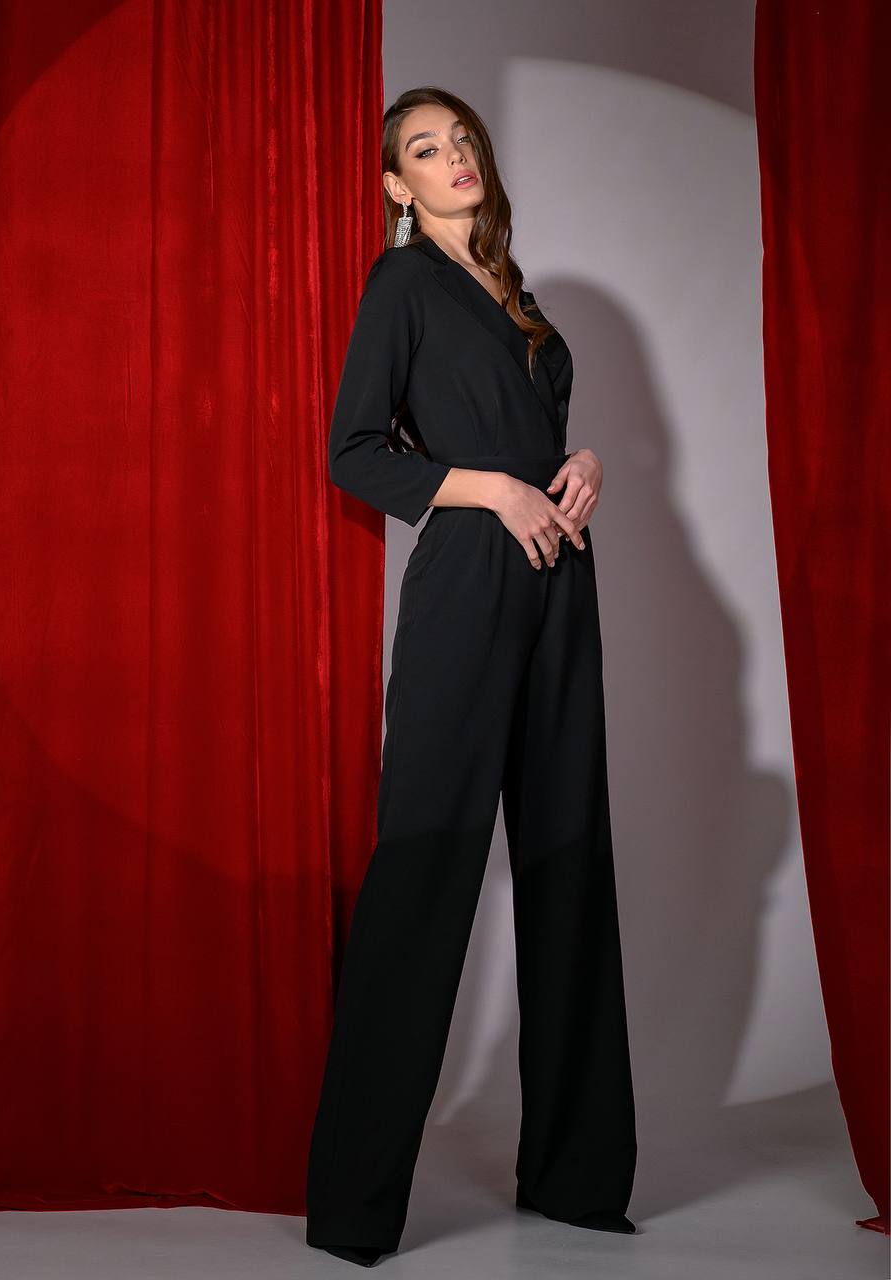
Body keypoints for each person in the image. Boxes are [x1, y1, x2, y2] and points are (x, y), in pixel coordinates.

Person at [305, 85, 638, 1268]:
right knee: (429, 858)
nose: (452, 161)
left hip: (561, 578)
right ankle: (352, 1203)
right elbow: (352, 447)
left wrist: (575, 458)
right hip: (465, 583)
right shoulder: (403, 284)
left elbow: (533, 437)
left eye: (460, 143)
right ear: (396, 184)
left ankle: (573, 1172)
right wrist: (490, 487)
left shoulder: (519, 293)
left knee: (566, 854)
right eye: (423, 151)